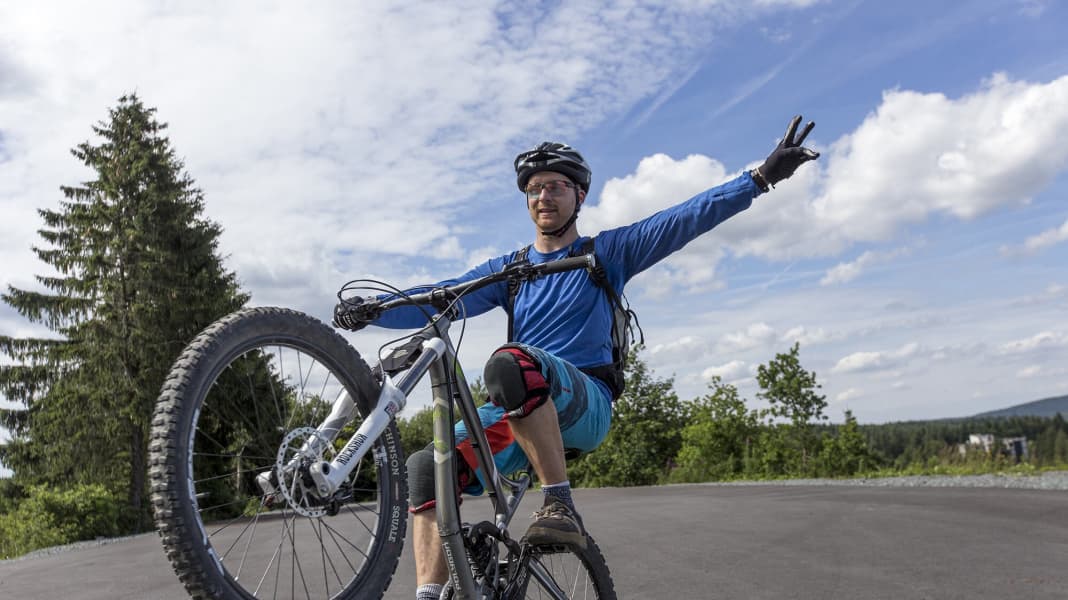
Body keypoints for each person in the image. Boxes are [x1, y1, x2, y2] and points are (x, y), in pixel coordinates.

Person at [334, 115, 819, 600]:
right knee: (429, 467)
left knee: (509, 363)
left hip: (585, 403)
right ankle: (430, 595)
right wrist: (375, 310)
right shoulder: (513, 270)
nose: (544, 196)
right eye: (535, 189)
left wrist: (760, 178)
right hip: (519, 408)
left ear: (579, 197)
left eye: (556, 186)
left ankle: (559, 502)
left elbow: (684, 218)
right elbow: (442, 296)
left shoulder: (606, 252)